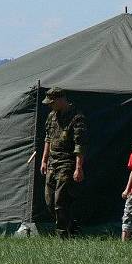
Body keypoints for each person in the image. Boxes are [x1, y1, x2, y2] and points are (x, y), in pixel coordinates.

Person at [40, 87, 87, 238]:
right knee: (49, 201)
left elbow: (80, 145)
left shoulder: (77, 118)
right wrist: (44, 160)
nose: (50, 106)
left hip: (66, 163)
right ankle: (71, 226)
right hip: (53, 162)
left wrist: (78, 168)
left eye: (52, 102)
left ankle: (63, 236)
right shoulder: (51, 116)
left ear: (61, 100)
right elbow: (48, 139)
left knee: (60, 201)